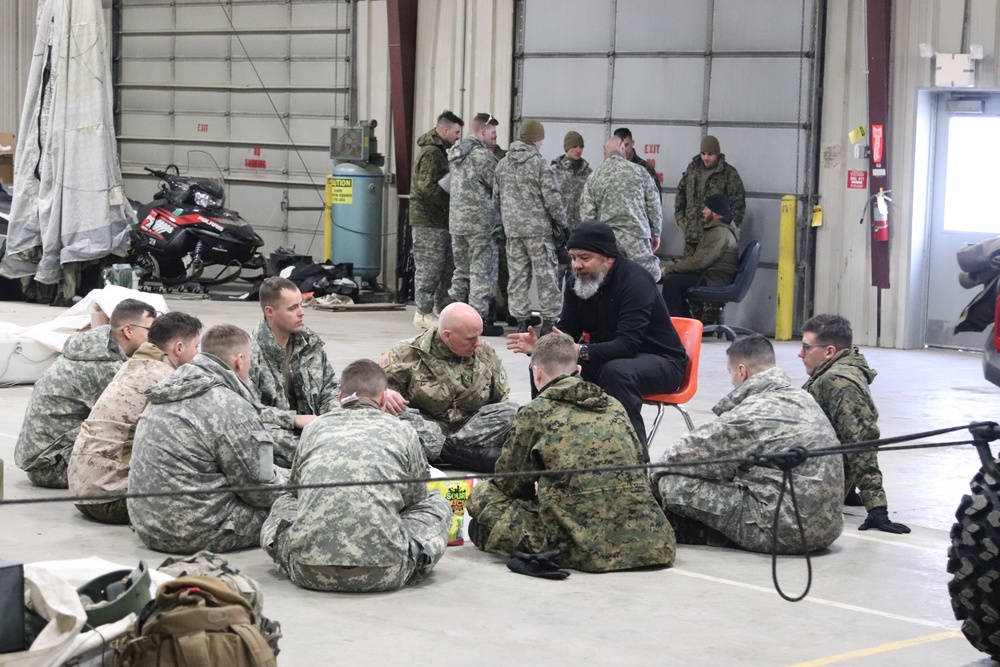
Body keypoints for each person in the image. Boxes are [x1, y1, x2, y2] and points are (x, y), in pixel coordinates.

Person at [467, 333, 676, 572]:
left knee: (483, 494)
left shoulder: (536, 412)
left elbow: (510, 484)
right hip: (651, 543)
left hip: (582, 548)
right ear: (577, 369)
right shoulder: (614, 405)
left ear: (537, 373)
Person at [260, 359, 452, 593]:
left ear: (340, 398)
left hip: (308, 572)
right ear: (383, 398)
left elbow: (296, 492)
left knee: (284, 501)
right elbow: (416, 498)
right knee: (437, 503)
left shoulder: (314, 428)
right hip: (385, 574)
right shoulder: (403, 430)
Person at [508, 222, 687, 460]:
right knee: (545, 364)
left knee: (617, 372)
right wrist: (541, 346)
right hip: (607, 357)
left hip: (662, 362)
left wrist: (579, 350)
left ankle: (633, 464)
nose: (576, 265)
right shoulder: (576, 281)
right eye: (572, 257)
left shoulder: (635, 281)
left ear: (608, 258)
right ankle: (547, 449)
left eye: (584, 257)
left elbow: (628, 344)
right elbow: (567, 330)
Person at [651, 335, 844, 553]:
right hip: (828, 529)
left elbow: (682, 457)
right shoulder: (804, 398)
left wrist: (649, 483)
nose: (732, 381)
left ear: (742, 371)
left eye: (731, 373)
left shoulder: (751, 413)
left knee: (671, 482)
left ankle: (702, 531)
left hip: (785, 532)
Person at [129, 324, 286, 553]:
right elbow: (260, 491)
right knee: (296, 506)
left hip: (148, 526)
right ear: (239, 360)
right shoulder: (229, 405)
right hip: (196, 532)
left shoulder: (170, 388)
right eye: (250, 360)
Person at [68, 312, 203, 525]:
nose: (198, 355)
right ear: (179, 348)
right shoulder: (168, 381)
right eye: (196, 347)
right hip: (113, 500)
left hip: (82, 492)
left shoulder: (131, 365)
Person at [14, 298, 157, 489]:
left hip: (42, 456)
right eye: (151, 331)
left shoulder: (94, 344)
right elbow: (141, 414)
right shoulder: (104, 366)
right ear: (128, 330)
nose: (155, 338)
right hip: (52, 466)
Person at [800, 314, 911, 534]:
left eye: (806, 347)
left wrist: (876, 506)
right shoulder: (835, 370)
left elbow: (861, 442)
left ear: (829, 352)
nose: (800, 354)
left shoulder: (839, 382)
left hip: (816, 479)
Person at [381, 302, 517, 473]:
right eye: (470, 339)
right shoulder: (407, 353)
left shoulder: (485, 353)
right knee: (394, 412)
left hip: (470, 429)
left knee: (513, 411)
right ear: (447, 335)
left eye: (479, 336)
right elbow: (373, 392)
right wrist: (385, 392)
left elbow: (500, 402)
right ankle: (464, 455)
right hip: (428, 425)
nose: (478, 343)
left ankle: (441, 453)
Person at [251, 276, 339, 465]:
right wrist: (294, 419)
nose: (301, 313)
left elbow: (330, 388)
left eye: (301, 305)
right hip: (281, 432)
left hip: (314, 427)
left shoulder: (309, 344)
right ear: (270, 312)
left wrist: (335, 418)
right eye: (292, 308)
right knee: (260, 434)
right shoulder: (251, 354)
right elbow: (247, 411)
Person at [494, 119, 568, 336]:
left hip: (513, 232)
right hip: (539, 232)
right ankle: (549, 322)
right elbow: (552, 200)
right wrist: (562, 225)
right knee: (546, 276)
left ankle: (521, 321)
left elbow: (496, 200)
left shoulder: (502, 164)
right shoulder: (539, 164)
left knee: (517, 277)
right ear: (537, 139)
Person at [448, 112, 503, 336]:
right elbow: (497, 185)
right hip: (480, 223)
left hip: (457, 222)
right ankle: (477, 322)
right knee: (481, 272)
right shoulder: (481, 156)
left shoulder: (456, 154)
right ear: (483, 131)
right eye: (493, 133)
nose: (494, 138)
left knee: (461, 271)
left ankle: (453, 317)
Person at [579, 137, 663, 281]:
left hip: (608, 239)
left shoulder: (594, 177)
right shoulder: (641, 172)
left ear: (605, 153)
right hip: (637, 236)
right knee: (647, 277)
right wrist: (656, 232)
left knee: (607, 280)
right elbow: (654, 205)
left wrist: (592, 244)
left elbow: (587, 216)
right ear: (623, 149)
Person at [410, 110, 464, 329]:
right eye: (456, 132)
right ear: (444, 131)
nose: (458, 137)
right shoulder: (432, 153)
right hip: (428, 221)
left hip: (439, 220)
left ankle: (442, 310)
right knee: (430, 267)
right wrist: (449, 202)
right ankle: (422, 311)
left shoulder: (443, 152)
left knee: (445, 267)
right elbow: (426, 187)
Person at [661, 193, 739, 318]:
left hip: (713, 279)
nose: (703, 211)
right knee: (673, 279)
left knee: (672, 282)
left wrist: (669, 269)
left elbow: (700, 262)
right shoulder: (719, 230)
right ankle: (685, 321)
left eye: (707, 208)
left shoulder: (719, 233)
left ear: (716, 213)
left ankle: (681, 326)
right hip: (712, 275)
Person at [675, 134, 746, 257]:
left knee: (708, 272)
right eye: (703, 153)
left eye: (710, 154)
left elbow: (738, 204)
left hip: (714, 238)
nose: (706, 158)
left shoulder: (729, 174)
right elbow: (681, 192)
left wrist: (726, 229)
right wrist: (680, 217)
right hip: (691, 236)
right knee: (687, 270)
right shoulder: (692, 169)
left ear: (717, 154)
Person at [551, 131, 592, 232]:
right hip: (561, 228)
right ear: (567, 148)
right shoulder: (554, 171)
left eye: (581, 147)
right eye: (574, 146)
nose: (578, 150)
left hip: (582, 228)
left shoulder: (589, 173)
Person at [613, 127, 660, 193]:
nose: (623, 149)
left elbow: (655, 198)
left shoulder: (645, 168)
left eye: (626, 145)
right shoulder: (610, 168)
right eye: (619, 146)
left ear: (632, 143)